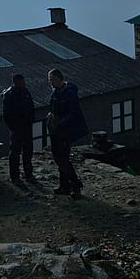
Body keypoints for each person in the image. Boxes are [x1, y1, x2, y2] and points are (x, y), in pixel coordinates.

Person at [46, 68, 87, 198]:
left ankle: (75, 185)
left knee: (62, 159)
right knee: (60, 158)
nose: (50, 82)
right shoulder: (57, 92)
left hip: (65, 131)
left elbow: (74, 113)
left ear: (59, 79)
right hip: (56, 131)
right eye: (49, 80)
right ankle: (65, 186)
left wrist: (60, 123)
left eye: (52, 79)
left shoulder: (69, 93)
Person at [1, 73, 36, 184]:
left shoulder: (25, 92)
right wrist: (13, 128)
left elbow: (31, 107)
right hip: (16, 129)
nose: (23, 84)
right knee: (15, 153)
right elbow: (6, 115)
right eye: (21, 82)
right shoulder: (9, 95)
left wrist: (31, 122)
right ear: (15, 82)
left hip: (27, 127)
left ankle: (28, 174)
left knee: (28, 152)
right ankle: (14, 176)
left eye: (23, 82)